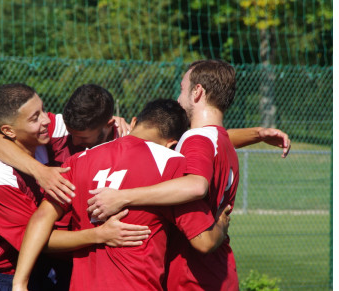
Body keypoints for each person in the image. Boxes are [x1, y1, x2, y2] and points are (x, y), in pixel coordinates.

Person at [87, 60, 283, 290]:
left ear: (197, 91)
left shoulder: (196, 139)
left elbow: (195, 186)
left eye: (182, 89)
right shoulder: (221, 141)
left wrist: (123, 197)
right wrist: (259, 133)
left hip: (193, 278)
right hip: (217, 273)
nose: (179, 98)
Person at [12, 99, 232, 291]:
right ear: (172, 144)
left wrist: (20, 283)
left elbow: (40, 220)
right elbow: (204, 241)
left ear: (135, 122)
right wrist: (221, 223)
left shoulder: (79, 161)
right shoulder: (172, 165)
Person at [0, 83, 150, 291]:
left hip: (46, 270)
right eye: (34, 117)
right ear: (9, 131)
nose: (47, 119)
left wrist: (117, 128)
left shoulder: (50, 136)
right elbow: (36, 240)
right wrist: (100, 234)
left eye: (43, 110)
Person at [0, 85, 291, 206]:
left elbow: (195, 140)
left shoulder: (125, 137)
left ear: (107, 126)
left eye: (84, 138)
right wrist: (40, 172)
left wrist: (258, 134)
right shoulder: (55, 129)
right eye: (72, 133)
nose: (74, 141)